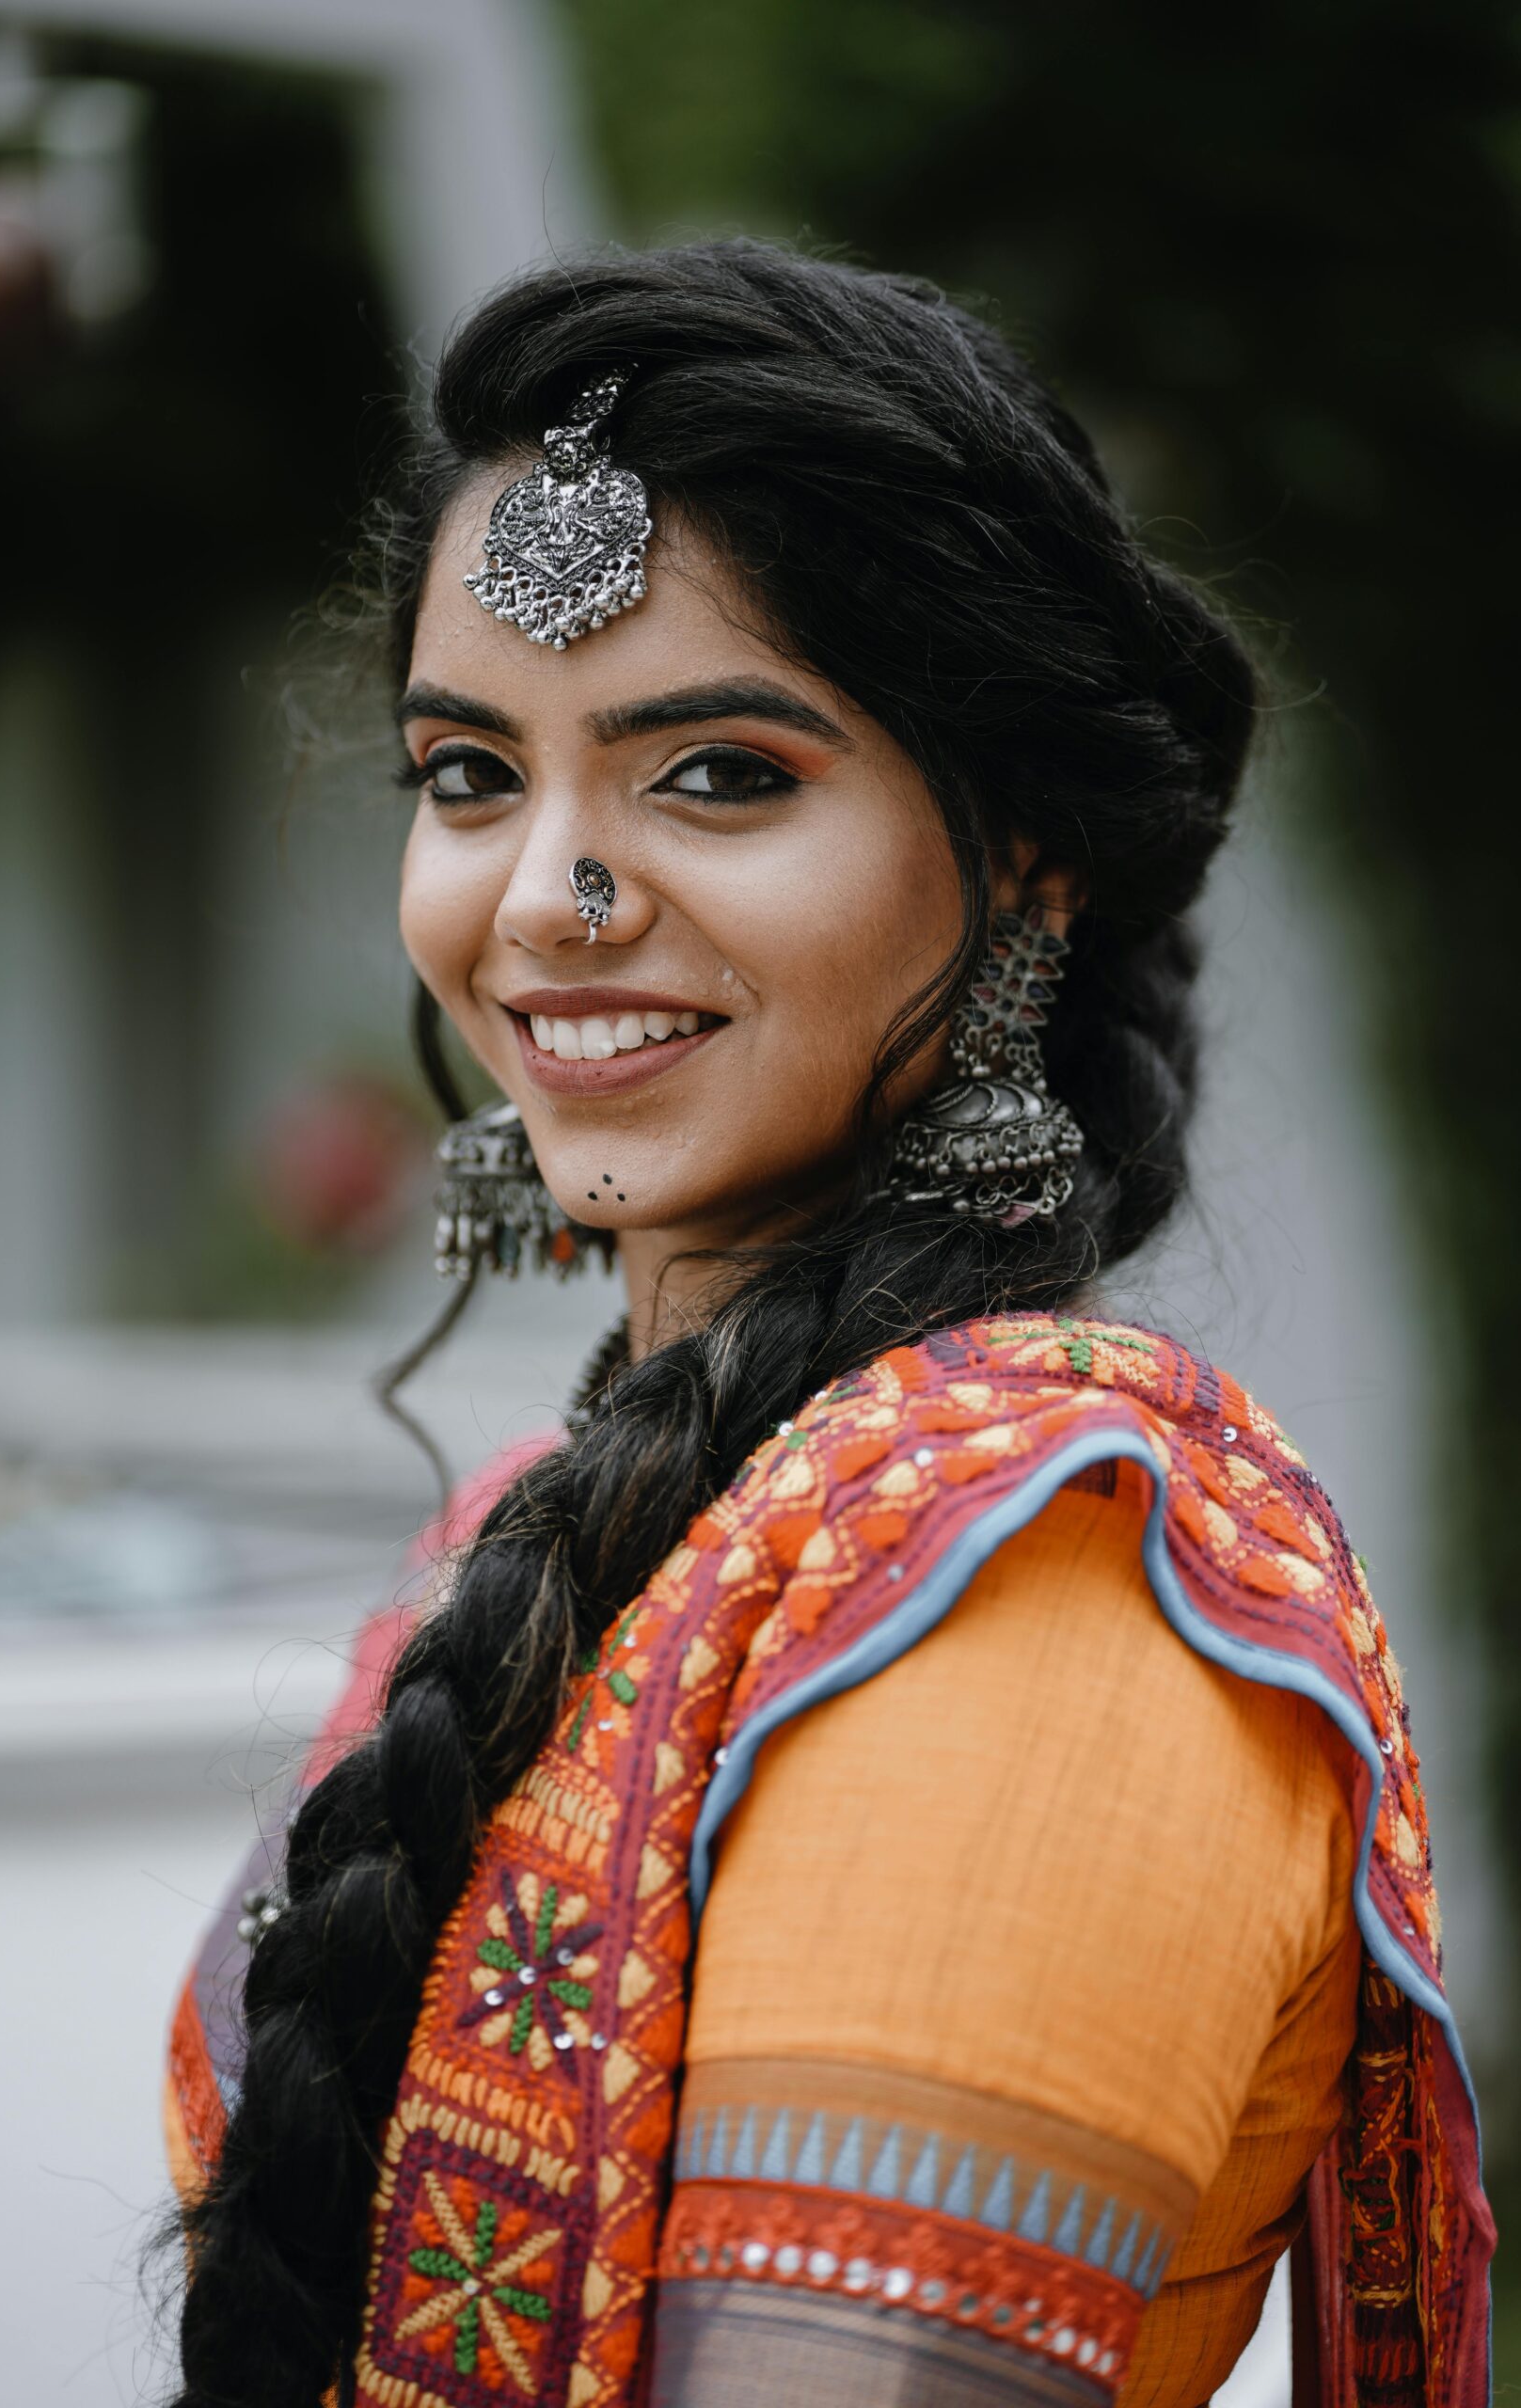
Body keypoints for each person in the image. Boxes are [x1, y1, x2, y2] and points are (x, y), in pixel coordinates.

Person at [163, 243, 1491, 2408]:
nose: (541, 902)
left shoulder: (1038, 1592)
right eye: (473, 772)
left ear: (1027, 861)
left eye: (715, 776)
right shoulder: (571, 1511)